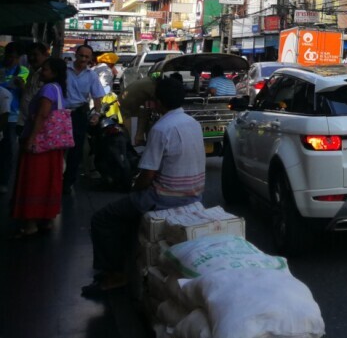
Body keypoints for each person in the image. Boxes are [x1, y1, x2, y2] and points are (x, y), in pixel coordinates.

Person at [83, 76, 206, 297]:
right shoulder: (193, 123)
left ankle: (113, 275)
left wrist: (134, 188)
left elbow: (147, 175)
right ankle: (126, 264)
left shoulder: (161, 128)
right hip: (194, 195)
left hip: (164, 198)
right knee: (127, 213)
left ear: (157, 101)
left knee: (102, 218)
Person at [9, 57, 68, 237]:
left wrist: (31, 139)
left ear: (54, 73)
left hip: (40, 144)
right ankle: (46, 219)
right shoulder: (59, 89)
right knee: (49, 180)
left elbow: (42, 115)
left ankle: (31, 223)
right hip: (52, 145)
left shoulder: (48, 89)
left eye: (46, 70)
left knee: (33, 181)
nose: (42, 72)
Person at [64, 44, 106, 193]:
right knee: (57, 148)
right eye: (81, 55)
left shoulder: (92, 75)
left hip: (79, 114)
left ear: (90, 59)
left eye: (86, 57)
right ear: (76, 55)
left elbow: (97, 96)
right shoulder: (64, 70)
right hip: (61, 114)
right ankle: (54, 179)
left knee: (76, 150)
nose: (83, 59)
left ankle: (67, 183)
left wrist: (96, 114)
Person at [1, 42, 29, 192]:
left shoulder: (22, 70)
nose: (11, 60)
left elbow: (23, 90)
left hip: (12, 115)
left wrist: (21, 85)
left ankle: (4, 181)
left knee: (8, 149)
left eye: (15, 57)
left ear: (19, 58)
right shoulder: (1, 67)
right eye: (9, 56)